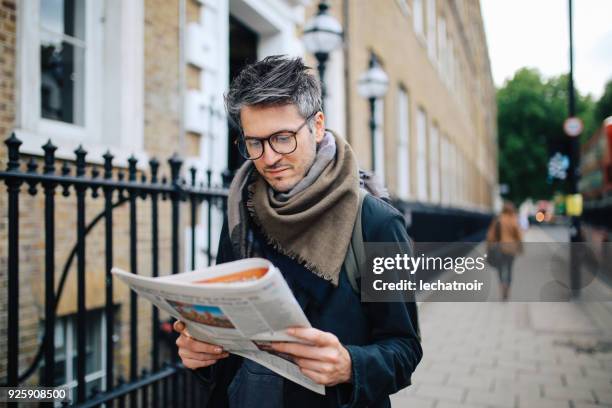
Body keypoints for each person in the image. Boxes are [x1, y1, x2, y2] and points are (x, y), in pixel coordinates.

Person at [174, 55, 422, 408]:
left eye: (282, 138)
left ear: (317, 126)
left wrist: (350, 365)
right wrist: (200, 352)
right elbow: (227, 339)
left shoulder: (376, 223)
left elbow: (404, 349)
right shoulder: (239, 212)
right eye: (254, 142)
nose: (268, 157)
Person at [486, 201, 523, 301]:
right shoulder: (513, 219)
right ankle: (508, 288)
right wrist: (520, 248)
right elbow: (519, 235)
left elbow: (490, 236)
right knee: (510, 269)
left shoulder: (498, 219)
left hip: (499, 248)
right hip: (511, 249)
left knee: (500, 269)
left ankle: (502, 286)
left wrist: (488, 247)